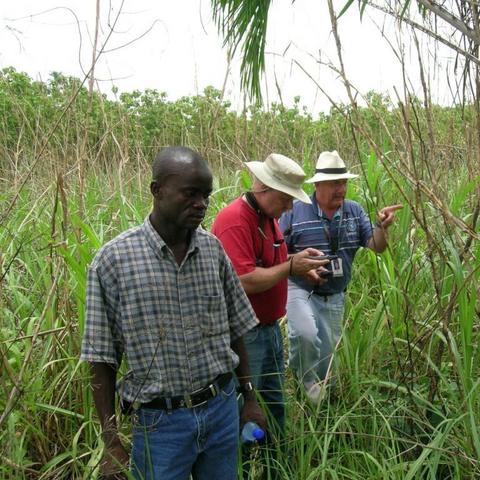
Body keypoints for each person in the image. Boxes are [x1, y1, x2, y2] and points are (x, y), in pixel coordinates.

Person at [80, 146, 265, 480]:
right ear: (156, 190)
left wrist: (249, 398)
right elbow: (100, 359)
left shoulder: (212, 250)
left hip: (221, 410)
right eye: (190, 194)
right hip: (159, 425)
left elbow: (236, 327)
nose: (201, 204)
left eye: (206, 196)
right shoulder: (112, 262)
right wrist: (111, 441)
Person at [211, 154, 327, 447]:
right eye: (286, 198)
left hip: (269, 330)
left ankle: (275, 463)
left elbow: (267, 263)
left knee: (273, 407)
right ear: (264, 189)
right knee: (245, 409)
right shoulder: (234, 219)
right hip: (245, 336)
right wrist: (290, 267)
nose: (290, 206)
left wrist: (298, 265)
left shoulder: (268, 218)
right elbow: (242, 280)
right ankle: (244, 465)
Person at [280, 151, 402, 403]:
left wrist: (382, 227)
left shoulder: (354, 211)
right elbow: (278, 251)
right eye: (335, 183)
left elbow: (376, 246)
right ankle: (303, 387)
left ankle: (320, 405)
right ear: (318, 185)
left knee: (327, 362)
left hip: (334, 295)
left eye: (344, 182)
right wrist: (299, 264)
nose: (341, 189)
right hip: (299, 288)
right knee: (304, 334)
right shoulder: (296, 211)